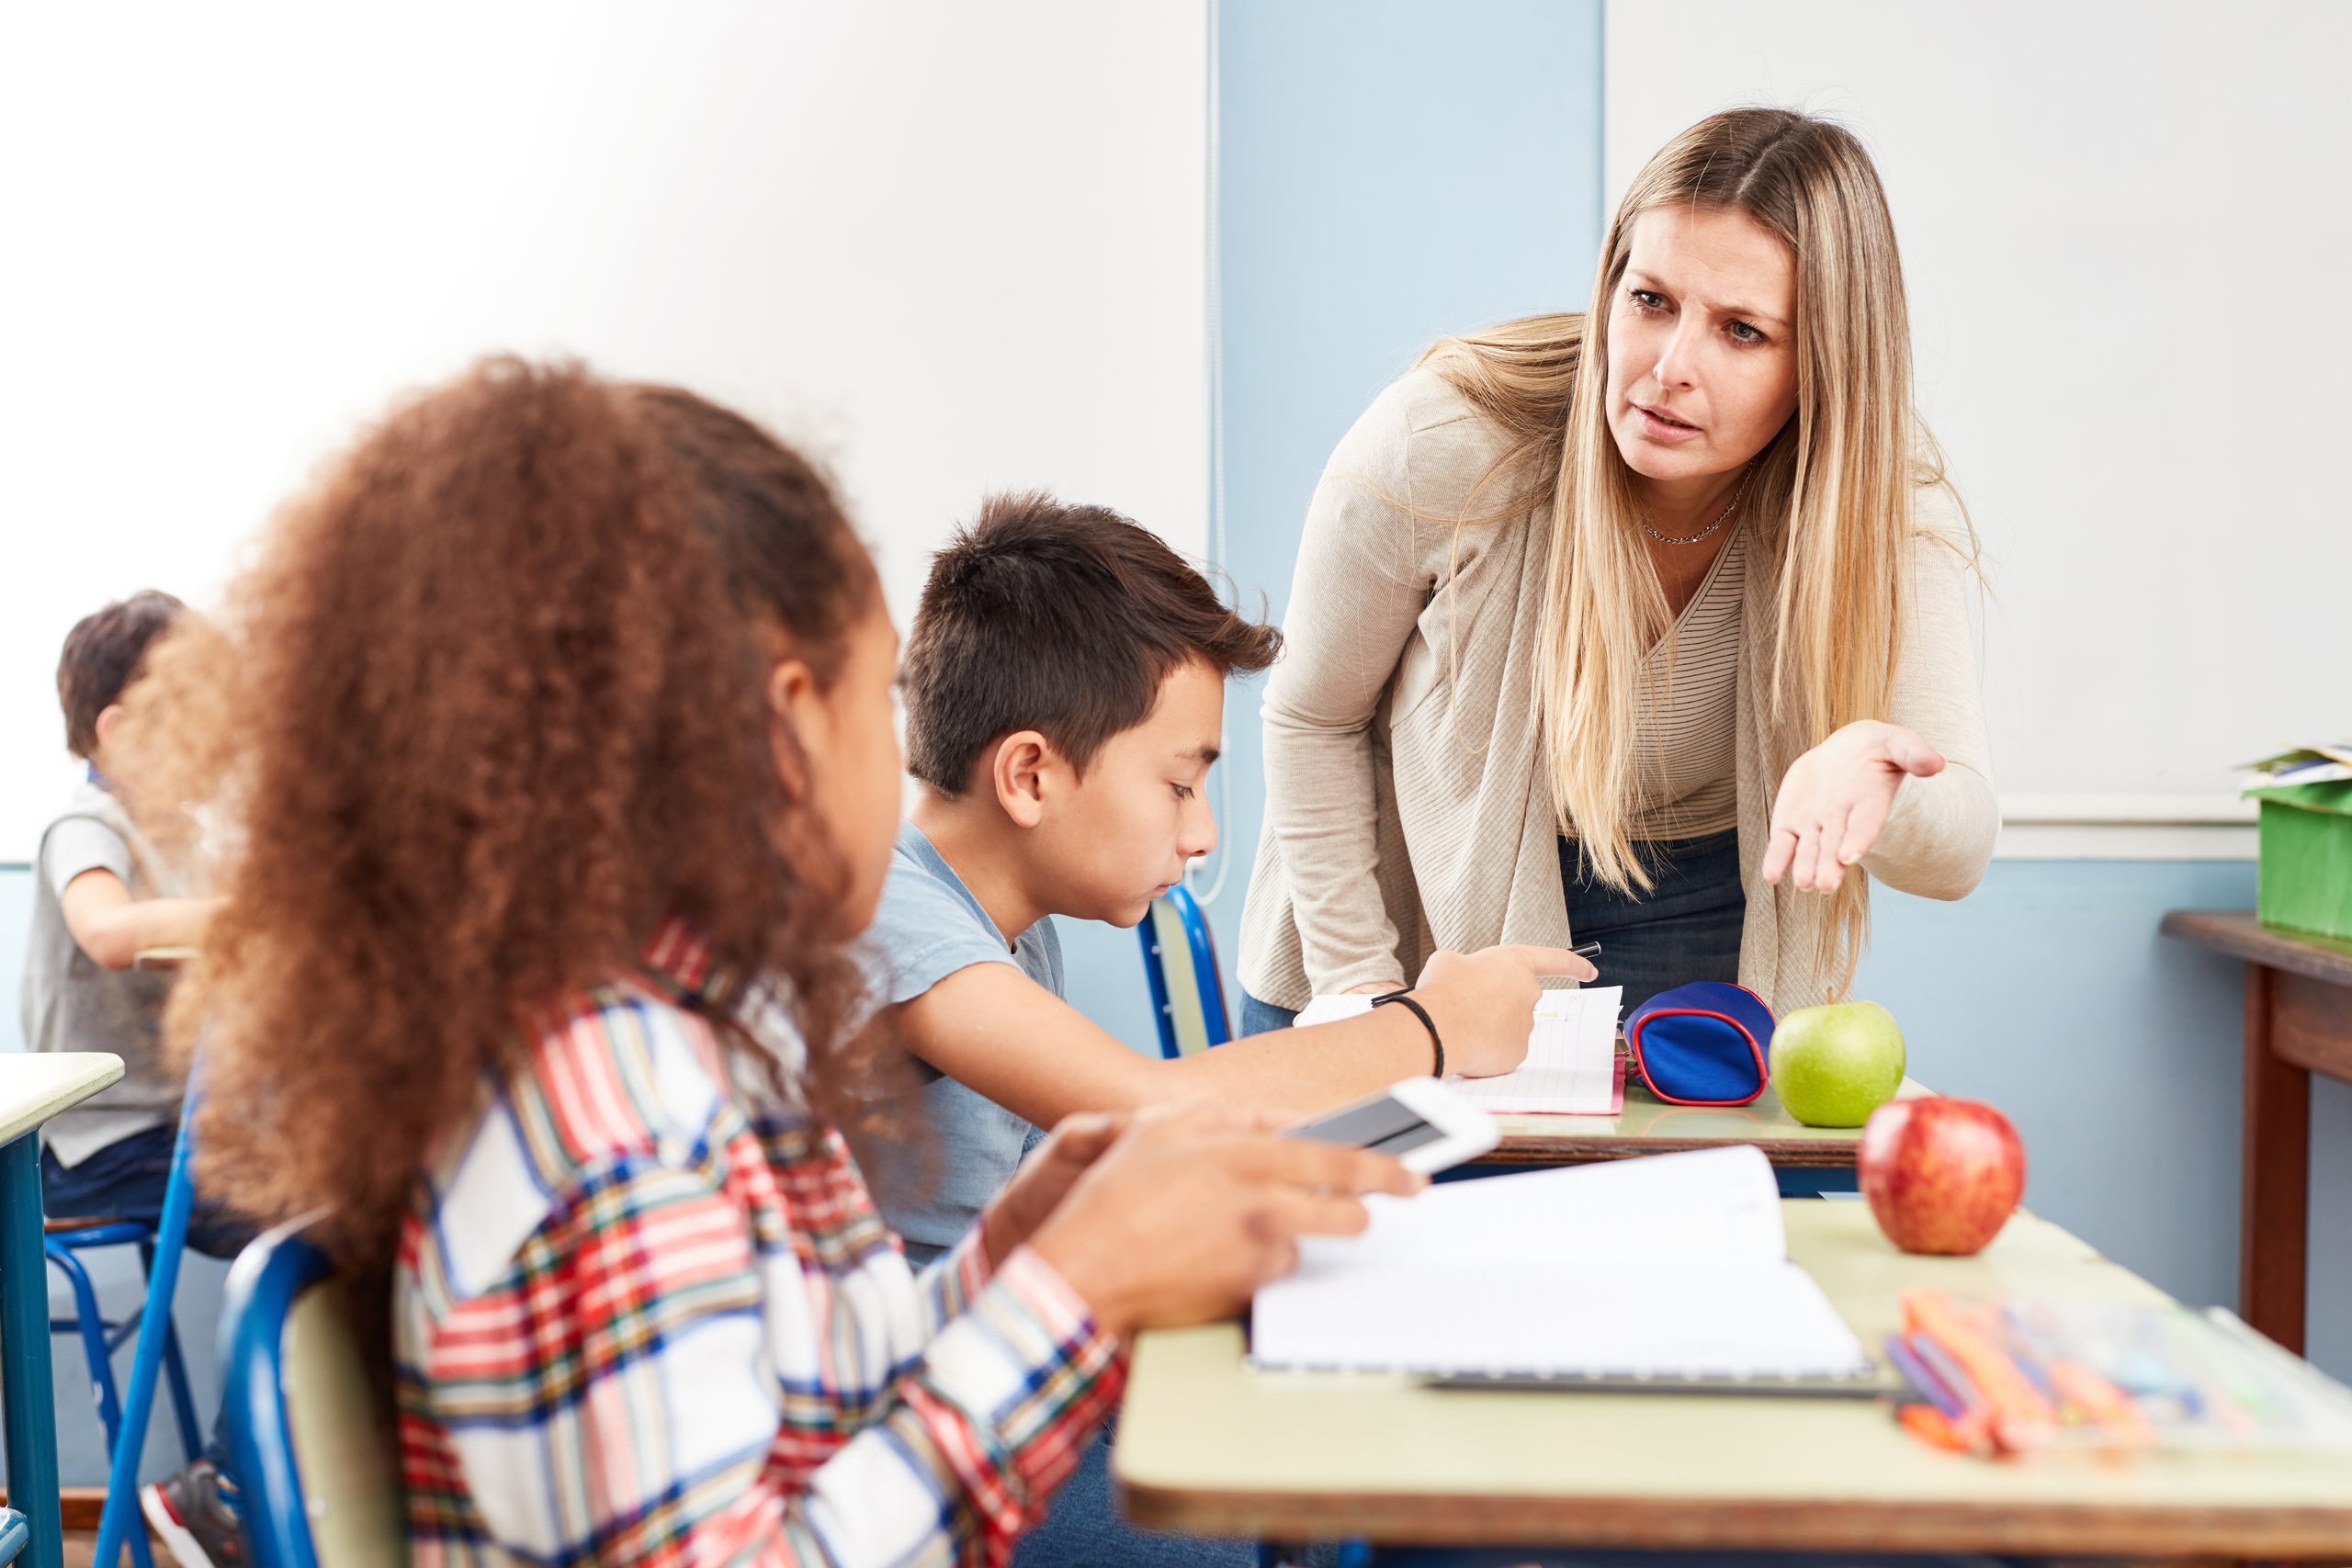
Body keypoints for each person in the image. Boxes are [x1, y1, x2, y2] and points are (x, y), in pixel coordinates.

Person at [125, 358, 1425, 1568]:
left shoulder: (683, 1036)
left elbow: (813, 1384)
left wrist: (1018, 1254)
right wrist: (1070, 1295)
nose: (905, 753)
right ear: (783, 726)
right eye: (881, 703)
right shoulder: (612, 1123)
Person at [862, 493, 1590, 1565]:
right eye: (1179, 783)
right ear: (1029, 775)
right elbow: (1142, 1108)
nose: (1202, 833)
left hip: (1002, 1361)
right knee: (1271, 1516)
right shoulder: (889, 908)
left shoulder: (996, 921)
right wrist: (1429, 1027)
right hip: (916, 1425)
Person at [1238, 107, 1997, 1034]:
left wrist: (1880, 777)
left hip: (1692, 898)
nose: (1670, 367)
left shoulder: (1877, 496)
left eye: (1743, 331)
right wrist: (1358, 994)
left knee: (1677, 1181)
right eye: (1650, 301)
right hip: (1391, 898)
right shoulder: (1444, 441)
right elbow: (1313, 716)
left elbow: (1957, 848)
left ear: (1825, 366)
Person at [22, 591, 246, 1568]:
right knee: (318, 1232)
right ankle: (218, 1489)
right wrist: (257, 910)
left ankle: (229, 1482)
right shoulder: (86, 824)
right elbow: (109, 933)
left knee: (354, 1202)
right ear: (120, 729)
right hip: (96, 1152)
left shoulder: (189, 842)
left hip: (169, 1138)